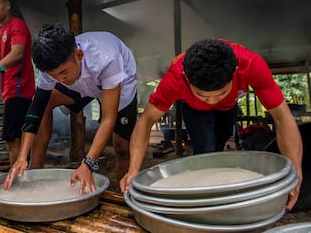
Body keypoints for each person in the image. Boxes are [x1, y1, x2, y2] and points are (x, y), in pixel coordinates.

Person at [119, 38, 303, 212]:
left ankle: (218, 184)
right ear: (186, 79)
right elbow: (146, 121)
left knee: (220, 142)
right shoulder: (176, 77)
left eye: (220, 93)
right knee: (205, 149)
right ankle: (206, 202)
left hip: (229, 106)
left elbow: (282, 118)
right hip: (193, 108)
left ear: (235, 73)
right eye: (204, 95)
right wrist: (133, 170)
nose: (211, 101)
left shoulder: (251, 65)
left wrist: (295, 172)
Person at [3, 23, 138, 194]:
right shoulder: (51, 66)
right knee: (45, 103)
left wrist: (88, 163)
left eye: (63, 72)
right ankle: (35, 168)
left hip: (119, 82)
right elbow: (36, 109)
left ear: (79, 54)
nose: (61, 79)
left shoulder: (106, 58)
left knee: (121, 147)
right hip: (80, 81)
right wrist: (21, 157)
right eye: (54, 76)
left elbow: (108, 118)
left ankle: (123, 194)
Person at [0, 0, 35, 165]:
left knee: (12, 137)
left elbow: (17, 54)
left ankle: (17, 178)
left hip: (19, 88)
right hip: (9, 90)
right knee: (14, 136)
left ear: (7, 5)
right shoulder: (2, 31)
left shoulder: (17, 25)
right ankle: (20, 174)